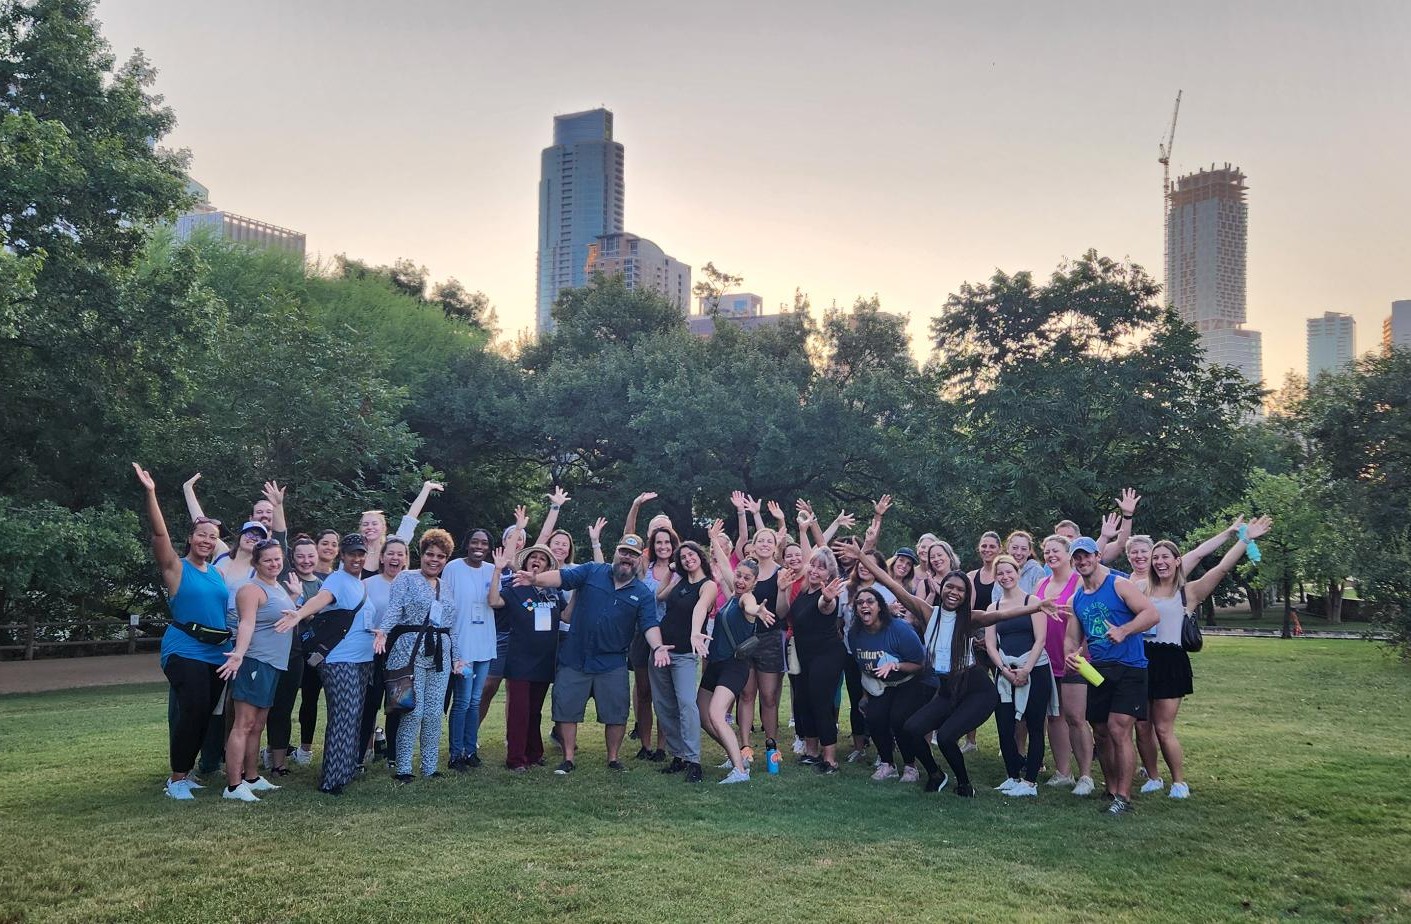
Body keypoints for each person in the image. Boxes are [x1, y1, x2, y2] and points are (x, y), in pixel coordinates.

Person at [869, 562, 1052, 797]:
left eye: (960, 589)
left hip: (976, 689)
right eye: (950, 587)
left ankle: (965, 784)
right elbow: (893, 585)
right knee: (912, 729)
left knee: (946, 737)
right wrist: (860, 556)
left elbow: (1000, 614)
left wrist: (1036, 607)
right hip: (947, 690)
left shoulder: (969, 619)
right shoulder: (928, 613)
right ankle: (936, 774)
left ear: (966, 595)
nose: (954, 592)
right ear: (942, 588)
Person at [1134, 519, 1271, 799]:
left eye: (1165, 557)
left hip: (1171, 661)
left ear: (1176, 561)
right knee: (1142, 725)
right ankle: (1153, 776)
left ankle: (1179, 781)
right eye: (1155, 558)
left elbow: (1221, 568)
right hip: (1142, 659)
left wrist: (1244, 540)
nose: (1160, 562)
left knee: (1162, 727)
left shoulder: (1189, 591)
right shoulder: (1140, 589)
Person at [513, 534, 671, 774]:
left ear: (639, 560)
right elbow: (561, 578)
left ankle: (613, 759)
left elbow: (649, 625)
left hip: (612, 661)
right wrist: (535, 578)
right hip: (575, 655)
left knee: (616, 713)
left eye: (633, 555)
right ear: (616, 552)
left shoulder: (642, 593)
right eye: (623, 552)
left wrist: (658, 647)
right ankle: (568, 758)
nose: (627, 558)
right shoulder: (591, 571)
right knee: (566, 708)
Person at [134, 464, 230, 801]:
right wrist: (151, 492)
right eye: (201, 534)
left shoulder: (218, 574)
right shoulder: (177, 568)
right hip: (184, 648)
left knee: (205, 713)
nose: (207, 540)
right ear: (190, 538)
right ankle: (176, 779)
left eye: (212, 537)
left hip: (216, 652)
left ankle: (185, 773)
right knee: (193, 707)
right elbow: (160, 536)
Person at [1064, 536, 1160, 816]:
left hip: (1131, 666)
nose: (1082, 561)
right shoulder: (1077, 597)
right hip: (1098, 670)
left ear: (1096, 556)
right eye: (1077, 558)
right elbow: (1072, 637)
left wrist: (1124, 630)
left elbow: (1151, 614)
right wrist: (1071, 654)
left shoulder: (1118, 584)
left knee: (1119, 729)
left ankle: (1124, 798)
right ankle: (1111, 788)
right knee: (1102, 732)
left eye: (1086, 556)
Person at [275, 533, 376, 796]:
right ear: (342, 555)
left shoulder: (360, 583)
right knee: (343, 718)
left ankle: (345, 770)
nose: (357, 558)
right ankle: (332, 780)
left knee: (353, 717)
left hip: (362, 660)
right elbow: (321, 599)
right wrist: (298, 613)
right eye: (352, 553)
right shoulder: (337, 580)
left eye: (361, 553)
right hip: (340, 661)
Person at [373, 529, 457, 782]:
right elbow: (394, 609)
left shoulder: (447, 587)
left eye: (441, 556)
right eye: (430, 554)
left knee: (433, 713)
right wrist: (383, 633)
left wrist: (459, 656)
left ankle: (430, 767)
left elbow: (452, 624)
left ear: (446, 559)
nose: (434, 560)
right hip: (409, 650)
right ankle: (404, 768)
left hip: (440, 653)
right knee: (413, 710)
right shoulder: (405, 579)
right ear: (421, 555)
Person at [221, 538, 296, 802]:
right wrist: (239, 654)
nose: (274, 563)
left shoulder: (276, 587)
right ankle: (233, 785)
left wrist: (296, 596)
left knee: (258, 725)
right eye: (267, 560)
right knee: (243, 724)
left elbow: (278, 615)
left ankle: (251, 777)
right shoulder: (250, 589)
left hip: (273, 664)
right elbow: (247, 624)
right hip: (255, 662)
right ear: (256, 563)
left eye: (277, 558)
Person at [846, 576, 937, 785]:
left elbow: (920, 663)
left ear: (880, 607)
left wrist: (895, 665)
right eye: (860, 603)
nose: (864, 606)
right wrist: (865, 696)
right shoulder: (855, 634)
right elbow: (863, 667)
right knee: (875, 717)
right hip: (882, 684)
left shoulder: (899, 629)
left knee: (899, 719)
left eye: (870, 602)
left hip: (912, 679)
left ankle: (910, 766)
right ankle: (887, 763)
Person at [699, 523, 769, 784]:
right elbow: (725, 567)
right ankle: (733, 753)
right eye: (738, 576)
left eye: (746, 578)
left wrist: (756, 611)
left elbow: (749, 606)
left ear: (754, 582)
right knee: (703, 716)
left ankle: (740, 771)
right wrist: (714, 540)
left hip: (734, 667)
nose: (739, 581)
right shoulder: (732, 591)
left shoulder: (746, 599)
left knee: (717, 715)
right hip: (716, 664)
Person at [984, 555, 1054, 798]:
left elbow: (1040, 639)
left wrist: (1026, 669)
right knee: (1005, 726)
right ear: (995, 577)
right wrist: (1003, 669)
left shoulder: (1033, 601)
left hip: (1034, 668)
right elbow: (991, 644)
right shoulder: (993, 608)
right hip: (1005, 671)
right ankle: (1012, 775)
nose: (1005, 577)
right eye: (1000, 573)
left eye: (1009, 572)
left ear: (1018, 572)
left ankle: (1030, 781)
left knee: (1035, 725)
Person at [489, 544, 564, 772]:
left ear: (547, 566)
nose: (537, 561)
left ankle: (534, 753)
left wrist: (580, 590)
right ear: (525, 562)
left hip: (544, 660)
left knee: (535, 710)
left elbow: (567, 615)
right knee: (519, 710)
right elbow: (494, 602)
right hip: (520, 659)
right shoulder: (514, 587)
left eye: (542, 559)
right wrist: (497, 571)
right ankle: (516, 759)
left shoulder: (554, 592)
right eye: (533, 557)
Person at [650, 541, 717, 783]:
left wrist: (694, 632)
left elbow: (700, 607)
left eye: (692, 555)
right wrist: (670, 570)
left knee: (687, 704)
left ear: (700, 556)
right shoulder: (679, 583)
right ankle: (677, 755)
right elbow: (658, 596)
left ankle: (694, 760)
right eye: (684, 557)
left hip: (684, 654)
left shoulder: (708, 585)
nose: (688, 559)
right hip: (661, 651)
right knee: (664, 705)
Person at [777, 548, 848, 774]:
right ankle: (811, 752)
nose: (816, 570)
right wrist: (782, 590)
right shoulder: (804, 591)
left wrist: (827, 598)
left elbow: (826, 607)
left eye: (822, 567)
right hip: (804, 656)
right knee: (803, 701)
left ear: (829, 574)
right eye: (814, 565)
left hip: (826, 656)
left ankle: (830, 759)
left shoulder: (827, 596)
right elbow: (782, 613)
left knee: (820, 702)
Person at [1033, 535, 1093, 795]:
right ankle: (1063, 772)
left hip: (1075, 659)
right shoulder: (1041, 583)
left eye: (1055, 550)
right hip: (1047, 660)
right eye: (1047, 551)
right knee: (1054, 717)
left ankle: (1086, 776)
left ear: (1068, 554)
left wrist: (1083, 650)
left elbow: (1090, 618)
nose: (1050, 555)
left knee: (1076, 718)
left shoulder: (1079, 582)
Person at [263, 535, 321, 776]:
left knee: (293, 703)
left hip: (305, 653)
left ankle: (280, 764)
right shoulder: (282, 579)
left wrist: (304, 608)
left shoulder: (326, 583)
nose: (306, 560)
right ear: (291, 559)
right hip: (278, 650)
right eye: (300, 556)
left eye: (310, 555)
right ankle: (271, 753)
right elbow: (279, 535)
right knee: (275, 707)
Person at [443, 527, 498, 769]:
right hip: (462, 645)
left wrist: (518, 529)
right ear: (467, 544)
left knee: (476, 700)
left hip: (484, 644)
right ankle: (455, 754)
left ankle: (470, 750)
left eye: (484, 543)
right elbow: (444, 604)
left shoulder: (492, 570)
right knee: (463, 701)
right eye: (475, 541)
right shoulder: (453, 568)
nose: (479, 546)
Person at [361, 536, 409, 768]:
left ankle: (393, 757)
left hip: (401, 655)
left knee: (396, 706)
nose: (395, 558)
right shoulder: (368, 584)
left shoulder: (412, 583)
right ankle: (359, 756)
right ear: (381, 557)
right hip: (372, 653)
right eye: (391, 553)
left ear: (406, 559)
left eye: (400, 554)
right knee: (369, 705)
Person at [631, 525, 678, 761]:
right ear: (652, 545)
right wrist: (636, 506)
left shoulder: (680, 571)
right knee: (644, 691)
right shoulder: (643, 569)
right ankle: (645, 744)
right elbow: (628, 538)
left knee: (663, 693)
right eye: (658, 542)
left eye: (667, 542)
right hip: (642, 634)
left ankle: (662, 747)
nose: (663, 547)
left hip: (668, 636)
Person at [295, 530, 340, 764]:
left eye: (334, 544)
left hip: (322, 650)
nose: (329, 548)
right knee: (302, 700)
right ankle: (292, 749)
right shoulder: (288, 578)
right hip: (293, 650)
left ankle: (322, 750)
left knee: (327, 700)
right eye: (325, 543)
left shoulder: (331, 582)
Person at [357, 480, 443, 577]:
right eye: (365, 524)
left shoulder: (394, 544)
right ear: (360, 528)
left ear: (383, 527)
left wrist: (426, 489)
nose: (370, 527)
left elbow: (411, 518)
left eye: (374, 524)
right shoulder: (353, 550)